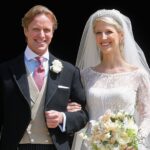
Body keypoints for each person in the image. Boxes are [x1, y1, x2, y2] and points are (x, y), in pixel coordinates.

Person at [0, 5, 88, 150]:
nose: (42, 35)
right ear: (25, 31)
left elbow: (83, 114)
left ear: (52, 33)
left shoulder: (69, 71)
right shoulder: (5, 70)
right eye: (36, 29)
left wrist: (63, 118)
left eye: (47, 30)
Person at [68, 9, 150, 150]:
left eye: (108, 32)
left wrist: (135, 141)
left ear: (121, 35)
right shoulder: (86, 75)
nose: (103, 37)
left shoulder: (138, 75)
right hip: (91, 145)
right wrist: (69, 110)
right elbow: (80, 112)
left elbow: (147, 116)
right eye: (98, 33)